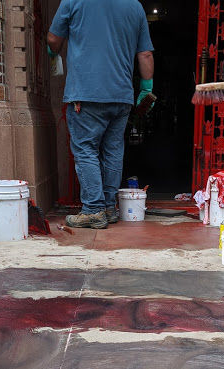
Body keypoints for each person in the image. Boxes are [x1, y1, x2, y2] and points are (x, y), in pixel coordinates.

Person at [48, 0, 154, 229]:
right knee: (113, 151)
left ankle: (94, 211)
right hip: (121, 95)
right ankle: (108, 207)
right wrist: (147, 87)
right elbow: (145, 54)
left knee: (86, 149)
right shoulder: (134, 6)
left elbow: (53, 39)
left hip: (86, 94)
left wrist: (52, 52)